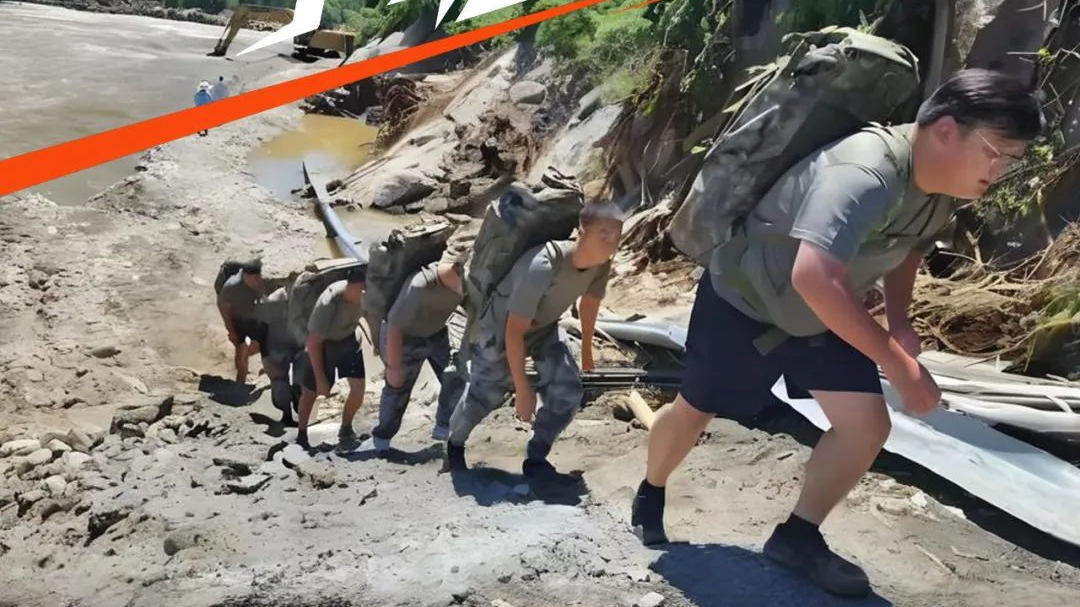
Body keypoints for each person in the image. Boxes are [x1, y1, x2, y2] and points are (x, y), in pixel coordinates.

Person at [630, 69, 1041, 597]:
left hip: (823, 314)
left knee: (865, 426)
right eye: (996, 151)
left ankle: (797, 538)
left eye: (1013, 159)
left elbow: (909, 249)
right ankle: (652, 487)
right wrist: (898, 362)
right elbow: (812, 275)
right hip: (746, 300)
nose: (1000, 170)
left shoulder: (942, 188)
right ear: (945, 129)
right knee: (694, 411)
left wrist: (899, 321)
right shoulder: (864, 171)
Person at [446, 201, 624, 482]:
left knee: (567, 391)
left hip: (543, 327)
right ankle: (454, 445)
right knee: (487, 395)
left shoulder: (601, 265)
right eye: (603, 233)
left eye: (617, 234)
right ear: (581, 232)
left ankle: (536, 457)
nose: (611, 241)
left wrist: (587, 352)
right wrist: (522, 390)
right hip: (500, 328)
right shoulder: (543, 264)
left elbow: (589, 305)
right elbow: (514, 331)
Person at [371, 258, 467, 452]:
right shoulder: (419, 285)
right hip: (406, 337)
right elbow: (395, 324)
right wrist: (394, 365)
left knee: (457, 375)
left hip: (437, 332)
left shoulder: (469, 280)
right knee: (397, 390)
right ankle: (382, 439)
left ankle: (443, 426)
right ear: (455, 269)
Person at [295, 266, 368, 452]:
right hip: (324, 345)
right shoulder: (330, 301)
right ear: (353, 287)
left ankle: (346, 428)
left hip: (349, 340)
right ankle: (301, 435)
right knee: (310, 392)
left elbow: (372, 317)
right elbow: (312, 343)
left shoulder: (367, 296)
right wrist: (321, 380)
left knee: (358, 388)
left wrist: (376, 341)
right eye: (362, 291)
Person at [254, 287, 303, 425]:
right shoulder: (282, 308)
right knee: (285, 380)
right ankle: (293, 412)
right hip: (285, 346)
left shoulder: (266, 313)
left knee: (281, 381)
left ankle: (290, 413)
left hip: (282, 347)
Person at [216, 259, 266, 385]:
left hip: (248, 305)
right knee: (240, 342)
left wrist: (257, 338)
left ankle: (264, 370)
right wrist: (230, 329)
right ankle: (240, 380)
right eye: (253, 279)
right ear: (245, 276)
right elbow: (223, 307)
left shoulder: (260, 282)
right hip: (233, 307)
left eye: (257, 278)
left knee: (264, 339)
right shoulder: (232, 286)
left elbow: (263, 304)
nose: (256, 282)